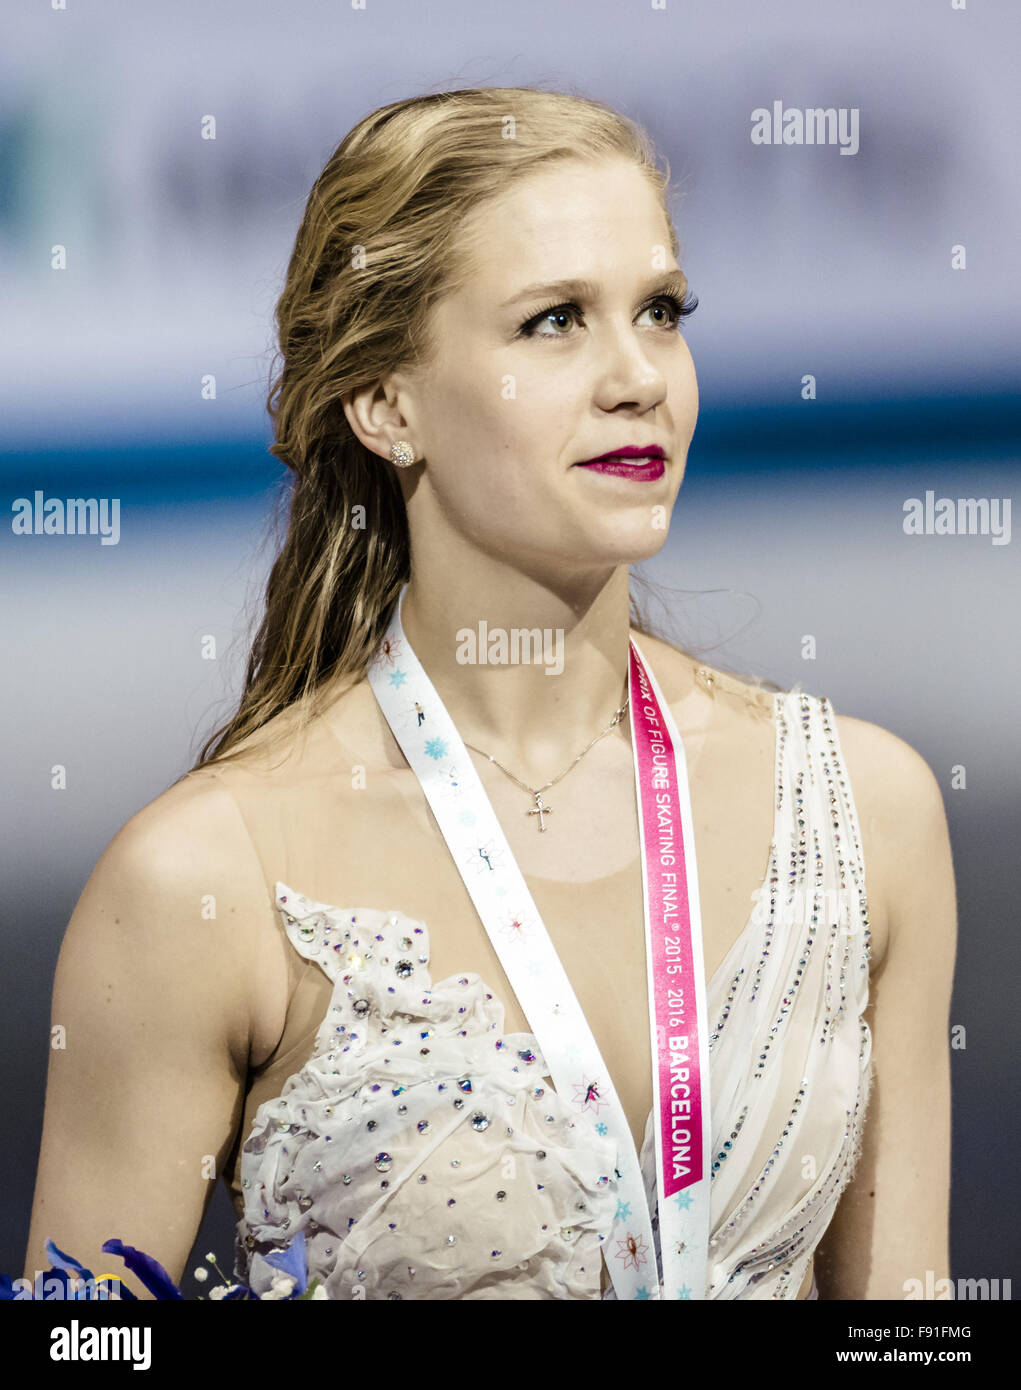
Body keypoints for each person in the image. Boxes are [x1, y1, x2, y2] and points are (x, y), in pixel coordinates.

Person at [25, 86, 956, 1300]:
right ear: (387, 404)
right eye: (554, 321)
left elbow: (907, 1324)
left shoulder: (862, 814)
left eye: (660, 312)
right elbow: (80, 1333)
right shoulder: (202, 883)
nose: (638, 378)